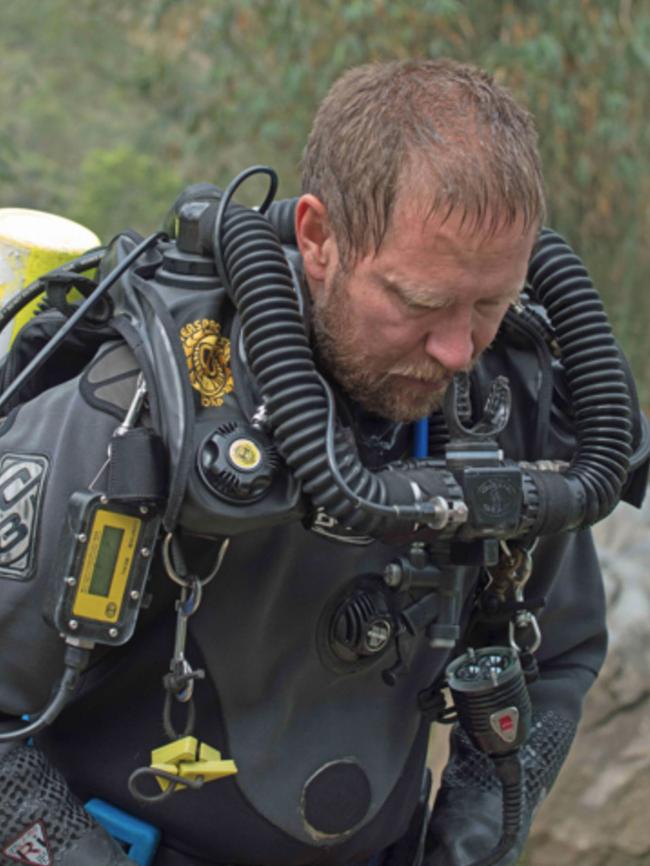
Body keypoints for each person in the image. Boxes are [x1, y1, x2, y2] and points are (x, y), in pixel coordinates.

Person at [0, 58, 647, 866]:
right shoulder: (140, 412)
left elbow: (555, 656)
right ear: (318, 237)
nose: (455, 349)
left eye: (489, 303)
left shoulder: (500, 403)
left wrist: (467, 844)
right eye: (417, 302)